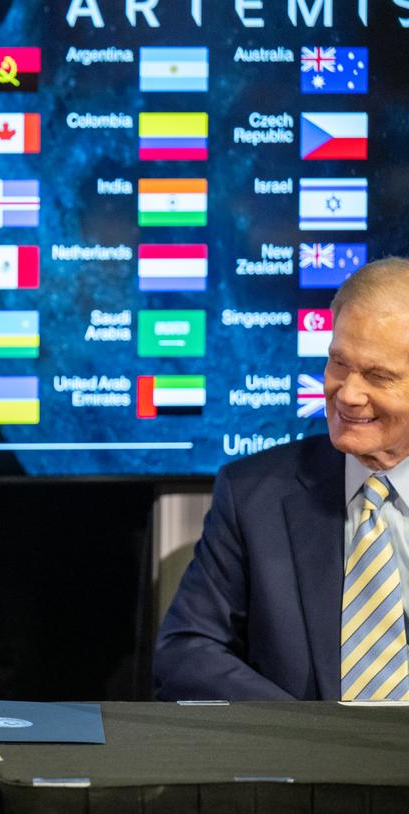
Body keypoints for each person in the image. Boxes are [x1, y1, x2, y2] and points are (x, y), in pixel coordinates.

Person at [155, 256, 409, 701]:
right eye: (338, 363)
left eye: (378, 376)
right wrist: (309, 732)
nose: (348, 394)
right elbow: (187, 653)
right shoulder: (252, 495)